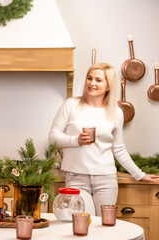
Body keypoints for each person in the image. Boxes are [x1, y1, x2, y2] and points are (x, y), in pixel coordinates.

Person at [49, 63, 159, 216]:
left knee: (104, 227)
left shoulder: (116, 112)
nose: (92, 83)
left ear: (108, 86)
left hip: (106, 178)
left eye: (98, 80)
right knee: (83, 223)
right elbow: (53, 137)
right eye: (89, 78)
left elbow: (119, 149)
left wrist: (140, 174)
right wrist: (76, 141)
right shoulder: (71, 105)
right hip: (76, 177)